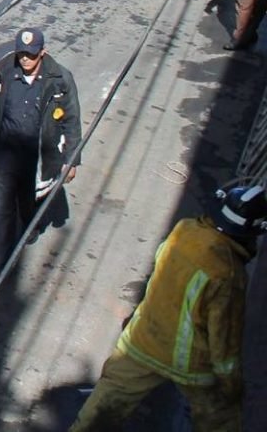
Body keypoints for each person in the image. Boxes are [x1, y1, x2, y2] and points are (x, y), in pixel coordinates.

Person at [69, 183, 266, 432]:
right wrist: (231, 386)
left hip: (145, 341)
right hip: (193, 364)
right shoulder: (228, 273)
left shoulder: (184, 230)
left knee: (105, 404)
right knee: (220, 419)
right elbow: (224, 342)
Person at [0, 28, 81, 290]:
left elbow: (71, 120)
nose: (25, 60)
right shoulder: (5, 70)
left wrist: (72, 159)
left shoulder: (60, 79)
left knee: (27, 199)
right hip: (5, 155)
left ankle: (31, 222)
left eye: (31, 55)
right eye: (21, 54)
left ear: (42, 52)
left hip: (39, 157)